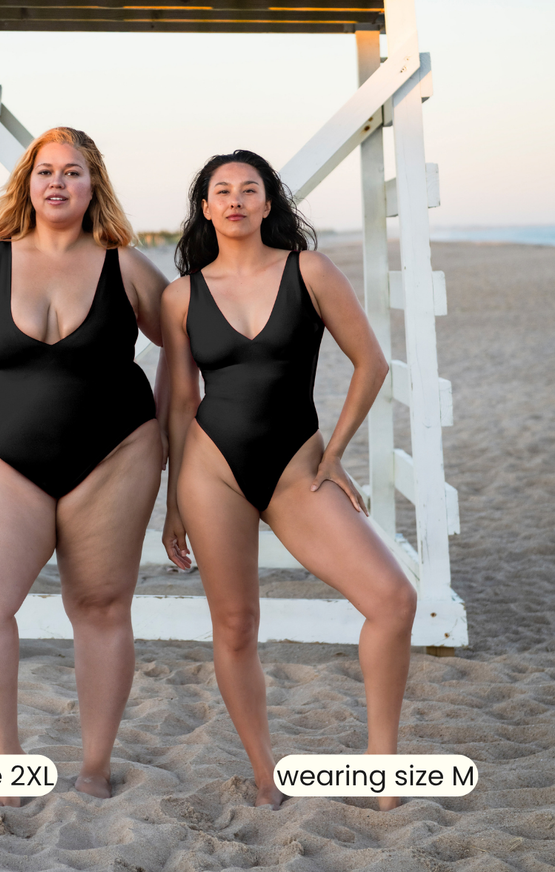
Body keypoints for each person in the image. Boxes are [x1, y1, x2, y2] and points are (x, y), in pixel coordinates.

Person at [160, 150, 416, 810]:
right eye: (222, 190)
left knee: (392, 600)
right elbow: (181, 402)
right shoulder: (181, 295)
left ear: (268, 203)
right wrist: (173, 502)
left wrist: (335, 453)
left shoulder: (310, 271)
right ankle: (266, 776)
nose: (236, 200)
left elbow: (371, 363)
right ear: (206, 208)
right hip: (211, 472)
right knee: (236, 625)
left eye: (250, 189)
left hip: (297, 468)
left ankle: (382, 766)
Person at [0, 127, 169, 804]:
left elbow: (187, 340)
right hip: (8, 460)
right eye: (46, 171)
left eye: (73, 171)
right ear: (28, 183)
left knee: (98, 605)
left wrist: (164, 428)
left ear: (94, 185)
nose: (58, 182)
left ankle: (94, 767)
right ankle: (4, 761)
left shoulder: (125, 265)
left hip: (116, 455)